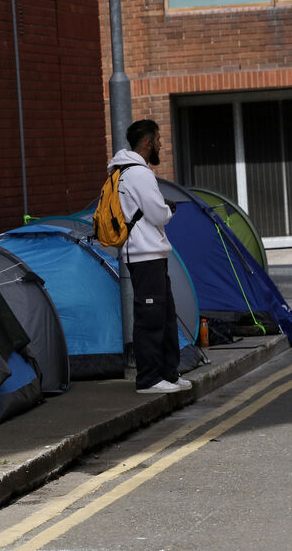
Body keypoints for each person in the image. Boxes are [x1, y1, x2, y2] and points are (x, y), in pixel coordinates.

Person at [107, 120, 191, 394]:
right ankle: (149, 379)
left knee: (165, 316)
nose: (160, 145)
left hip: (149, 253)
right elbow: (157, 215)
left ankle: (168, 374)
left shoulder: (125, 171)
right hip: (144, 254)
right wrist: (169, 210)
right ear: (147, 143)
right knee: (150, 318)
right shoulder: (138, 174)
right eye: (158, 140)